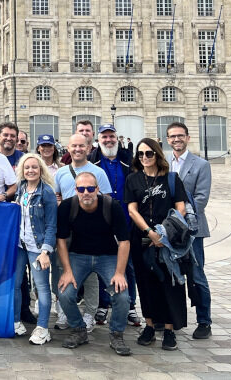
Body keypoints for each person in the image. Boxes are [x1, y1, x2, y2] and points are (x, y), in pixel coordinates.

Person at [56, 172, 132, 356]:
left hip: (108, 256)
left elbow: (124, 241)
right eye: (81, 189)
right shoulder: (68, 206)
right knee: (65, 294)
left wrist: (120, 273)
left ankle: (116, 333)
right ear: (76, 190)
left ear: (97, 189)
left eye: (90, 188)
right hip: (78, 255)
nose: (86, 192)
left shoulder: (111, 206)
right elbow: (61, 239)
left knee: (122, 296)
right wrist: (67, 270)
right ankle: (79, 329)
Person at [126, 138, 188, 351]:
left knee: (169, 284)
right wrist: (150, 233)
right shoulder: (133, 179)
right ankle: (150, 325)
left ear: (158, 155)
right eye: (141, 154)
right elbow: (132, 210)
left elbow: (181, 208)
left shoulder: (171, 179)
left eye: (149, 153)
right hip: (142, 239)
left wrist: (164, 233)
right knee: (145, 284)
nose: (144, 158)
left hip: (167, 241)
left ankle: (169, 329)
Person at [52, 133, 112, 331]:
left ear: (88, 148)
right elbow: (57, 197)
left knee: (91, 274)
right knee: (62, 270)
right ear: (68, 148)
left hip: (90, 231)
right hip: (67, 229)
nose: (77, 149)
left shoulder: (98, 172)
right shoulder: (60, 173)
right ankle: (64, 310)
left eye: (81, 146)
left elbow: (107, 201)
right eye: (74, 146)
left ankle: (89, 314)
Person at [88, 124, 138, 328]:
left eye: (111, 136)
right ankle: (104, 302)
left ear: (117, 138)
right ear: (98, 139)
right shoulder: (93, 159)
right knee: (102, 264)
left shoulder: (127, 159)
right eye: (104, 137)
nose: (108, 140)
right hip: (103, 220)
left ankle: (131, 305)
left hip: (127, 218)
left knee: (129, 266)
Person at [166, 122, 213, 340]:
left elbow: (201, 199)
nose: (177, 139)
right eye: (173, 136)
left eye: (180, 136)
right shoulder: (164, 163)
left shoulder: (201, 165)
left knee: (196, 275)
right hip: (168, 230)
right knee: (170, 274)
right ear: (167, 140)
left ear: (188, 137)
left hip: (192, 230)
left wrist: (179, 218)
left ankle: (204, 321)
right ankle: (170, 318)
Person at [11, 153, 57, 344]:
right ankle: (14, 322)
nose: (30, 170)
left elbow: (51, 225)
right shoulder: (21, 189)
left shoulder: (46, 192)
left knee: (42, 287)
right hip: (20, 245)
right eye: (27, 167)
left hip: (38, 248)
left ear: (41, 170)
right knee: (15, 285)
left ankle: (43, 327)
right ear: (22, 170)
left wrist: (45, 251)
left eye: (34, 167)